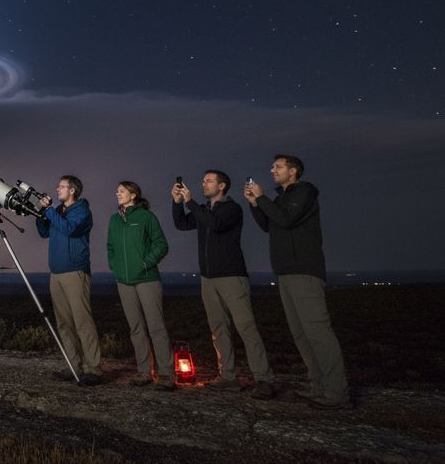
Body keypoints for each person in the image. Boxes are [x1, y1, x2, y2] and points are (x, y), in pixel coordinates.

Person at [245, 154, 351, 409]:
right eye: (272, 166)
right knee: (301, 334)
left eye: (278, 166)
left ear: (293, 171)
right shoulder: (281, 199)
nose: (272, 170)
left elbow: (286, 219)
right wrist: (254, 203)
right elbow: (268, 225)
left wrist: (262, 198)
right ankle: (319, 386)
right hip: (285, 271)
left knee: (317, 331)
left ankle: (338, 394)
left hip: (304, 270)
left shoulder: (304, 193)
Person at [172, 170, 275, 398]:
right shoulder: (204, 210)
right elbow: (181, 223)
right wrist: (178, 202)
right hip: (208, 278)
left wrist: (191, 202)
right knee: (218, 329)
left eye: (209, 181)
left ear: (222, 186)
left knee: (246, 327)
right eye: (203, 180)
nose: (203, 184)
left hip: (231, 276)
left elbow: (216, 224)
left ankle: (264, 378)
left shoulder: (231, 209)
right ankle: (227, 377)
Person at [107, 181, 175, 389]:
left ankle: (166, 375)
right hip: (124, 282)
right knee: (136, 328)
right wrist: (115, 266)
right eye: (117, 190)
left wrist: (146, 263)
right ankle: (144, 372)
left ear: (133, 194)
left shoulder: (146, 217)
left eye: (122, 190)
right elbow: (110, 247)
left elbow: (161, 244)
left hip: (147, 280)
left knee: (156, 327)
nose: (117, 193)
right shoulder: (114, 220)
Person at [36, 175, 103, 386]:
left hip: (75, 272)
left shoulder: (82, 211)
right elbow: (43, 232)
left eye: (62, 186)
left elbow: (69, 229)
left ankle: (93, 369)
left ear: (72, 190)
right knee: (64, 323)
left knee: (82, 322)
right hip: (56, 273)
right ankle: (73, 365)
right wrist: (41, 213)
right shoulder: (58, 212)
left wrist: (49, 211)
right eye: (58, 186)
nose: (57, 189)